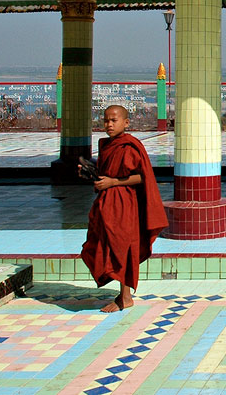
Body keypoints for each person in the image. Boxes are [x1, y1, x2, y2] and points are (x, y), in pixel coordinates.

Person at [80, 105, 168, 313]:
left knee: (122, 247)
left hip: (124, 203)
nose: (109, 125)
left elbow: (141, 176)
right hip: (107, 203)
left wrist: (112, 183)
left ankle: (125, 297)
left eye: (114, 120)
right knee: (102, 244)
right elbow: (107, 171)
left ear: (126, 123)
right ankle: (121, 292)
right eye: (106, 120)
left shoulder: (130, 146)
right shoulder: (107, 145)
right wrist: (92, 174)